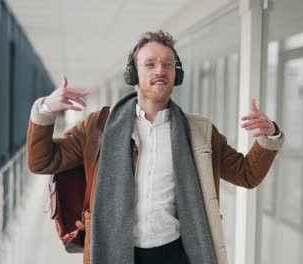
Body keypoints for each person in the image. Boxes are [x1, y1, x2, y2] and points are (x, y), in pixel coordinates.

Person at [27, 30, 284, 264]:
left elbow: (246, 174)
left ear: (176, 73)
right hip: (115, 254)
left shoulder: (199, 132)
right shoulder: (98, 127)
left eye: (168, 64)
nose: (159, 70)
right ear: (133, 74)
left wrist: (270, 136)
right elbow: (42, 161)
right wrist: (46, 110)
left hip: (177, 253)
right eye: (150, 64)